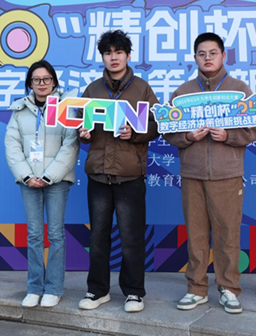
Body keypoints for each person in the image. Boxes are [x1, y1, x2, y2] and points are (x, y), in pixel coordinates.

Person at [164, 32, 256, 314]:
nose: (208, 58)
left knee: (227, 234)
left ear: (223, 56)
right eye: (202, 53)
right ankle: (196, 289)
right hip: (192, 174)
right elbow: (167, 129)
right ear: (195, 58)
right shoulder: (183, 92)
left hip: (227, 174)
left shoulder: (239, 89)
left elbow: (255, 128)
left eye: (213, 53)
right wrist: (187, 137)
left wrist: (229, 135)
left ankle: (229, 288)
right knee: (195, 234)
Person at [77, 30, 159, 313]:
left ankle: (134, 292)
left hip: (130, 175)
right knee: (97, 238)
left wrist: (134, 133)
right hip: (98, 175)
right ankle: (97, 290)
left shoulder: (142, 88)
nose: (114, 57)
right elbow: (78, 125)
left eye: (119, 52)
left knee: (131, 238)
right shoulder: (92, 90)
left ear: (127, 55)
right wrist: (83, 134)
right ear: (102, 57)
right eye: (108, 52)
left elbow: (157, 126)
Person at [5, 60, 79, 308]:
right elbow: (12, 145)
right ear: (30, 83)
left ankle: (54, 288)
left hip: (56, 181)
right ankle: (34, 287)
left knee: (56, 234)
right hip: (29, 181)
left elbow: (71, 144)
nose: (42, 83)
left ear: (54, 81)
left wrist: (49, 176)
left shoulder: (65, 108)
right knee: (34, 234)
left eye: (46, 79)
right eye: (36, 79)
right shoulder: (19, 110)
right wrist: (27, 176)